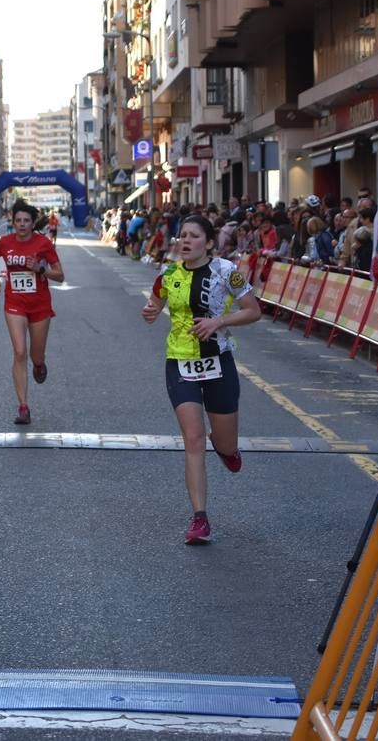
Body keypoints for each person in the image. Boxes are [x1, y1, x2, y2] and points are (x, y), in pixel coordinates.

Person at [142, 215, 260, 544]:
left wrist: (219, 321)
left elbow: (253, 310)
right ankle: (200, 518)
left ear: (208, 242)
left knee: (223, 441)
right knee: (193, 438)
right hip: (180, 361)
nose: (185, 241)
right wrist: (150, 311)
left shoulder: (226, 272)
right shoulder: (168, 274)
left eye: (194, 236)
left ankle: (226, 449)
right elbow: (154, 304)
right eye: (182, 235)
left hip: (217, 361)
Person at [0, 200, 63, 425]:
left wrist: (40, 269)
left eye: (26, 221)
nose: (22, 225)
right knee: (19, 352)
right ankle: (23, 407)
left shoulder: (43, 243)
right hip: (15, 303)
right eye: (18, 220)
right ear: (13, 222)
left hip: (40, 306)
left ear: (32, 223)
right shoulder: (5, 242)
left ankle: (39, 364)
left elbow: (60, 274)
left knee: (35, 355)